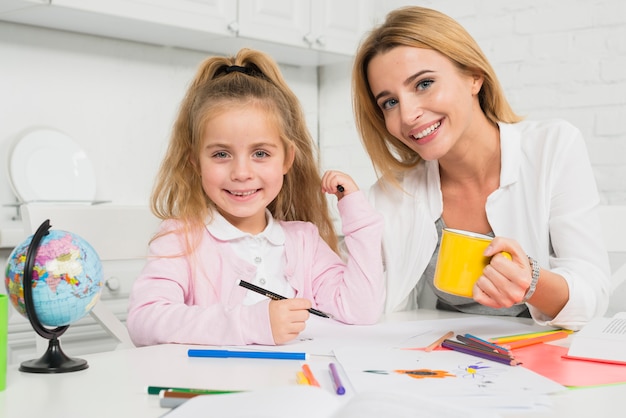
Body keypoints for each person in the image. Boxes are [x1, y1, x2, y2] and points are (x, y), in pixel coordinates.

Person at [351, 6, 610, 330]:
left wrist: (530, 282)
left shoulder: (553, 147)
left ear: (474, 76)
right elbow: (360, 301)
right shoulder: (393, 194)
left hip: (545, 357)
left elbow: (594, 295)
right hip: (446, 361)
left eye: (424, 83)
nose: (407, 115)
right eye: (389, 102)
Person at [127, 48, 384, 346]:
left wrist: (359, 218)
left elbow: (361, 310)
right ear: (195, 162)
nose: (241, 172)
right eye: (221, 154)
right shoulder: (180, 239)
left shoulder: (304, 241)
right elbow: (144, 320)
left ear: (287, 159)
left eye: (260, 153)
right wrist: (251, 323)